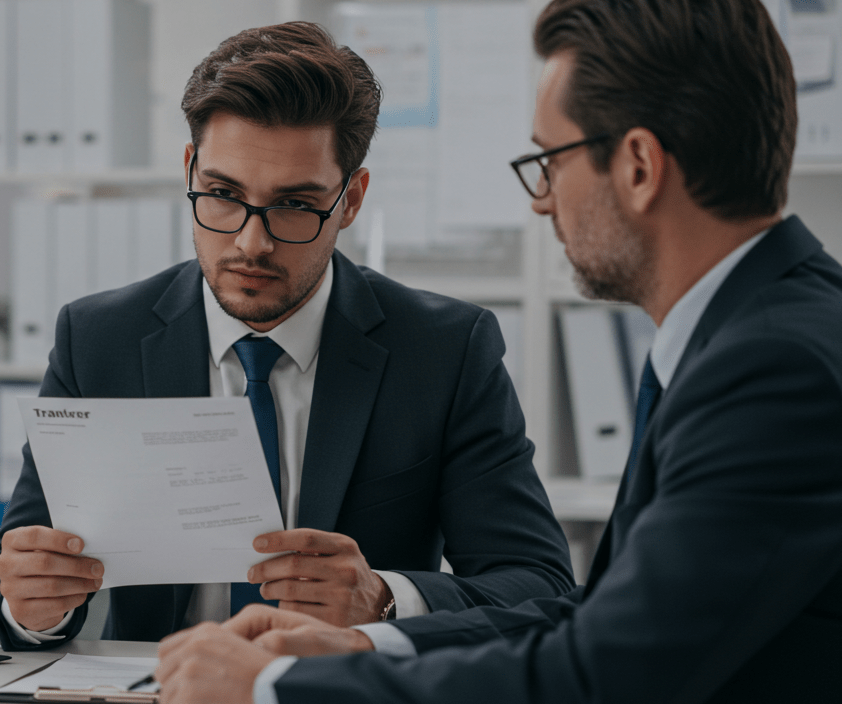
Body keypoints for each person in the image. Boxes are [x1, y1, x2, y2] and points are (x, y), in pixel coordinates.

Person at [152, 1, 842, 702]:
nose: (542, 202)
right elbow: (600, 617)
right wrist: (369, 642)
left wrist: (281, 685)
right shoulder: (758, 334)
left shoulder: (772, 368)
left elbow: (608, 672)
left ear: (637, 166)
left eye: (550, 161)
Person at [0, 21, 574, 651]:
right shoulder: (97, 339)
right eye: (224, 195)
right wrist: (32, 606)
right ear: (190, 170)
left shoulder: (445, 350)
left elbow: (541, 587)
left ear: (350, 200)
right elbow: (3, 579)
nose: (249, 242)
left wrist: (385, 598)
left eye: (294, 204)